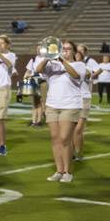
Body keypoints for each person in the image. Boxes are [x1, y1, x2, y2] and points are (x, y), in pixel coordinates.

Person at [35, 39, 82, 182]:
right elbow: (38, 70)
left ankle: (68, 172)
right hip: (52, 105)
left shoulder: (79, 64)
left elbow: (75, 75)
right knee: (55, 139)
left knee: (64, 138)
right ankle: (59, 170)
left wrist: (61, 60)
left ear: (74, 51)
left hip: (70, 105)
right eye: (63, 49)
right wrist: (47, 57)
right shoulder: (52, 64)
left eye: (68, 49)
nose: (65, 51)